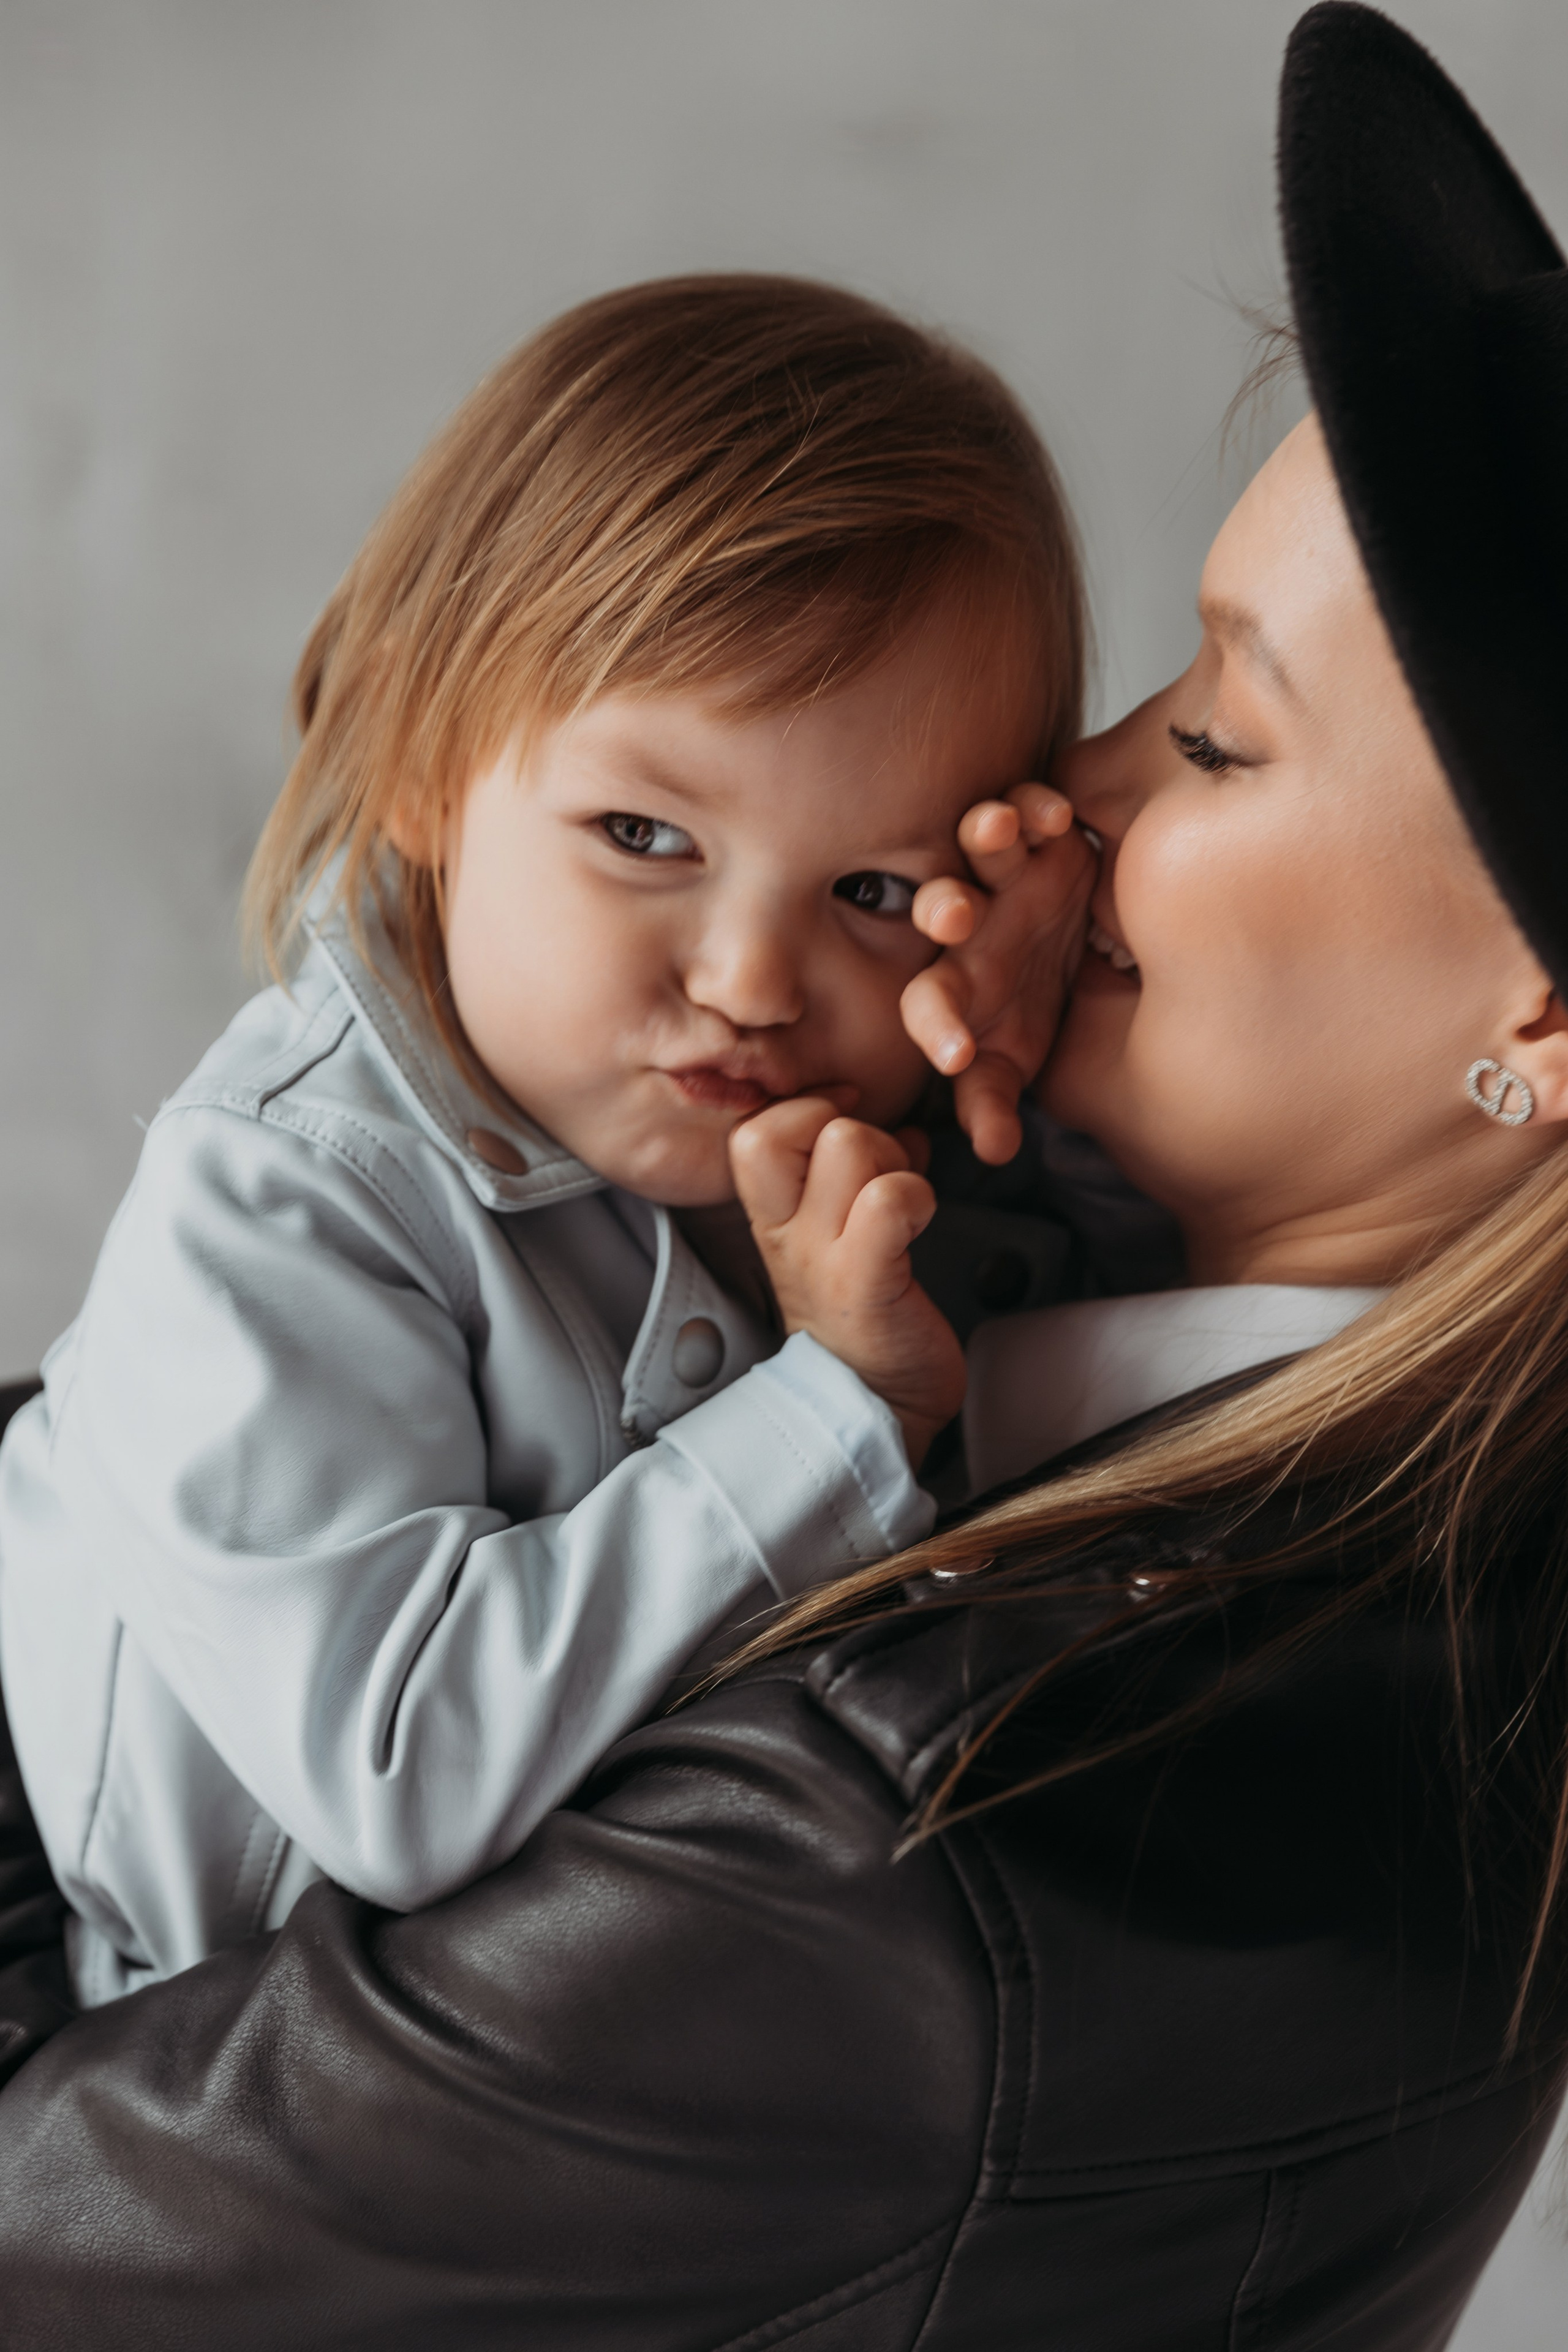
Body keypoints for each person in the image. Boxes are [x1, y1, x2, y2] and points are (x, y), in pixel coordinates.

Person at [1, 6, 1566, 2345]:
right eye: (1162, 685)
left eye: (1223, 732)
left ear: (1536, 1034)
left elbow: (62, 2227)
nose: (1066, 790)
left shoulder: (909, 1843)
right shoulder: (1309, 1471)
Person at [0, 274, 1095, 2004]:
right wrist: (840, 1412)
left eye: (877, 892)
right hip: (172, 2082)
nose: (748, 979)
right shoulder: (279, 1202)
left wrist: (1040, 1038)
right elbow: (409, 1775)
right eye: (645, 832)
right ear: (425, 763)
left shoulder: (860, 1143)